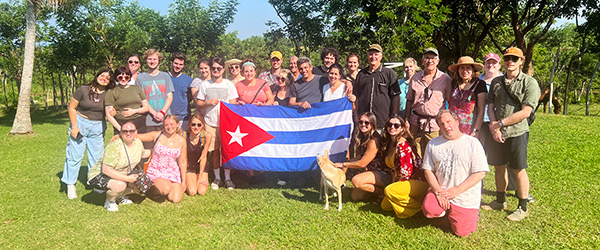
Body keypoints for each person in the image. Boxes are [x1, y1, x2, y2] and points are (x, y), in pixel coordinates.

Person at [481, 47, 541, 222]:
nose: (510, 62)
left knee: (518, 169)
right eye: (507, 58)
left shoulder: (529, 83)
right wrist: (494, 127)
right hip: (497, 131)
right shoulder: (496, 82)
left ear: (521, 61)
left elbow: (525, 112)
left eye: (514, 59)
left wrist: (499, 124)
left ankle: (522, 207)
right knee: (498, 166)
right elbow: (490, 106)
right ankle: (500, 201)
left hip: (517, 132)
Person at [421, 110, 489, 237]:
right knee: (429, 209)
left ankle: (461, 214)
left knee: (462, 232)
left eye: (449, 122)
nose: (446, 126)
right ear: (439, 127)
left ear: (457, 122)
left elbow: (480, 173)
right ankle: (446, 212)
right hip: (441, 191)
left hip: (464, 194)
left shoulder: (472, 143)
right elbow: (427, 170)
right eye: (442, 124)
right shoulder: (433, 144)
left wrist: (457, 191)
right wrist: (438, 192)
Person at [62, 68, 114, 200]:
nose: (104, 79)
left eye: (108, 78)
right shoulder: (83, 89)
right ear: (97, 75)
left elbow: (112, 111)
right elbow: (72, 107)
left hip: (98, 127)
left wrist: (114, 113)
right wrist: (74, 127)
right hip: (80, 123)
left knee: (96, 158)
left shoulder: (109, 93)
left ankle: (94, 183)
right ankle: (70, 184)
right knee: (74, 156)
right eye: (102, 75)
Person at [195, 57, 238, 190]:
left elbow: (234, 104)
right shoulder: (205, 85)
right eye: (214, 68)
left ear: (223, 70)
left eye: (219, 68)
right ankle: (217, 178)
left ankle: (228, 178)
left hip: (226, 124)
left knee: (226, 151)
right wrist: (208, 103)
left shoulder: (229, 84)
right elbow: (198, 103)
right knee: (214, 151)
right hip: (210, 123)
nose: (216, 70)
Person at [87, 122, 147, 211]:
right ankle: (110, 201)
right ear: (121, 133)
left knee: (143, 185)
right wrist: (127, 179)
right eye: (125, 131)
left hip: (122, 173)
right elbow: (106, 170)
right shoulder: (114, 146)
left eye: (131, 131)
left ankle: (119, 195)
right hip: (100, 174)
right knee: (120, 185)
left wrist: (158, 151)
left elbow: (143, 154)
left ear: (136, 132)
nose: (128, 133)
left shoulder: (138, 142)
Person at [405, 48, 452, 156]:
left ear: (438, 61)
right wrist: (407, 120)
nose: (430, 61)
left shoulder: (445, 78)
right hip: (416, 123)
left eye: (433, 58)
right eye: (427, 58)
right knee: (415, 153)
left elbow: (450, 100)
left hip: (435, 124)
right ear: (422, 61)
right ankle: (418, 173)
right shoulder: (415, 78)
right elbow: (409, 100)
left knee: (435, 153)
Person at [380, 115, 429, 218]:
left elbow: (405, 173)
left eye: (396, 125)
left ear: (402, 129)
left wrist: (394, 186)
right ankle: (411, 202)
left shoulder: (402, 145)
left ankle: (419, 209)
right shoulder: (390, 144)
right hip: (404, 181)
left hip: (417, 180)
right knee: (385, 206)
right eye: (389, 125)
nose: (392, 127)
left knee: (390, 191)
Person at [335, 112, 388, 201]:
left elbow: (362, 163)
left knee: (356, 181)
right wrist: (348, 162)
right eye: (361, 122)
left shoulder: (374, 140)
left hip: (383, 173)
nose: (363, 125)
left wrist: (343, 164)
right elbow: (361, 156)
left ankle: (383, 192)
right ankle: (374, 193)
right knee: (356, 197)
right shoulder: (364, 136)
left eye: (366, 123)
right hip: (372, 171)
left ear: (372, 124)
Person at [137, 115, 187, 203]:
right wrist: (120, 136)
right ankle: (150, 187)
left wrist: (184, 181)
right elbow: (138, 137)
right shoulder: (157, 135)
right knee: (166, 189)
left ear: (177, 124)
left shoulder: (181, 141)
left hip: (172, 172)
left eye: (171, 124)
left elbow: (183, 161)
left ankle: (164, 185)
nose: (169, 127)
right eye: (166, 125)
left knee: (175, 199)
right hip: (156, 171)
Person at [353, 44, 400, 130]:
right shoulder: (361, 74)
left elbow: (395, 96)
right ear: (367, 56)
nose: (373, 57)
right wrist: (356, 115)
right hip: (364, 123)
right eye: (370, 54)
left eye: (376, 54)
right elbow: (356, 97)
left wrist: (394, 115)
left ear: (381, 56)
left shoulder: (389, 73)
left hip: (383, 122)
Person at [135, 49, 174, 135]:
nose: (152, 61)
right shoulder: (140, 78)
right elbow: (141, 100)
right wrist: (154, 114)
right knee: (149, 147)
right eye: (149, 59)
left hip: (165, 120)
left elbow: (170, 96)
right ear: (146, 60)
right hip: (148, 120)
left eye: (154, 59)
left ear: (159, 61)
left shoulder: (165, 76)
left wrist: (162, 112)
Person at [447, 56, 487, 135]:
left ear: (473, 70)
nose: (465, 71)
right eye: (462, 68)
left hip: (471, 128)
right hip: (453, 126)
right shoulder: (454, 83)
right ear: (458, 70)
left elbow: (481, 109)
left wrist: (476, 130)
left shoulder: (480, 84)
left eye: (468, 68)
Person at [105, 66, 149, 135]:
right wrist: (120, 129)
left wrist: (134, 111)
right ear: (116, 78)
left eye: (126, 77)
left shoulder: (137, 89)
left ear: (129, 78)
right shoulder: (112, 91)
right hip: (121, 122)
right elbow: (109, 114)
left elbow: (146, 107)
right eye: (120, 77)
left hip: (139, 122)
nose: (123, 79)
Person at [185, 113, 212, 196]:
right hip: (189, 167)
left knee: (201, 191)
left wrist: (200, 177)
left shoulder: (207, 136)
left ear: (203, 125)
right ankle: (189, 179)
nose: (196, 127)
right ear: (189, 125)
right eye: (193, 124)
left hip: (202, 167)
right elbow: (183, 157)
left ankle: (198, 177)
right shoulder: (184, 136)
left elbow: (204, 157)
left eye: (199, 125)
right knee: (192, 192)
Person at [169, 52, 194, 130]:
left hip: (183, 118)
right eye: (176, 63)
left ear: (183, 65)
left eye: (180, 64)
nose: (177, 66)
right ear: (171, 63)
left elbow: (190, 98)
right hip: (168, 117)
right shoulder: (164, 77)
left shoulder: (189, 80)